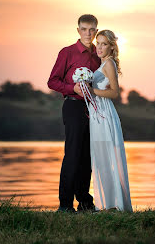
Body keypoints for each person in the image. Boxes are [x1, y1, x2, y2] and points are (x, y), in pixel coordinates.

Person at [47, 14, 100, 213]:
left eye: (92, 29)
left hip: (93, 110)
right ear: (78, 30)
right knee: (72, 156)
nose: (88, 33)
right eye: (84, 29)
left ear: (96, 31)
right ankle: (65, 205)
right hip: (73, 106)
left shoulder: (98, 54)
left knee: (87, 158)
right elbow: (52, 81)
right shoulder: (67, 52)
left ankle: (85, 204)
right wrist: (73, 88)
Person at [76, 30, 133, 212]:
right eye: (98, 43)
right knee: (101, 158)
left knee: (107, 157)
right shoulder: (102, 64)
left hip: (104, 115)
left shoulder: (108, 64)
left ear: (111, 47)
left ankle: (114, 204)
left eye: (104, 44)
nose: (99, 47)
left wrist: (92, 91)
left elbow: (115, 93)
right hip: (96, 115)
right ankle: (109, 204)